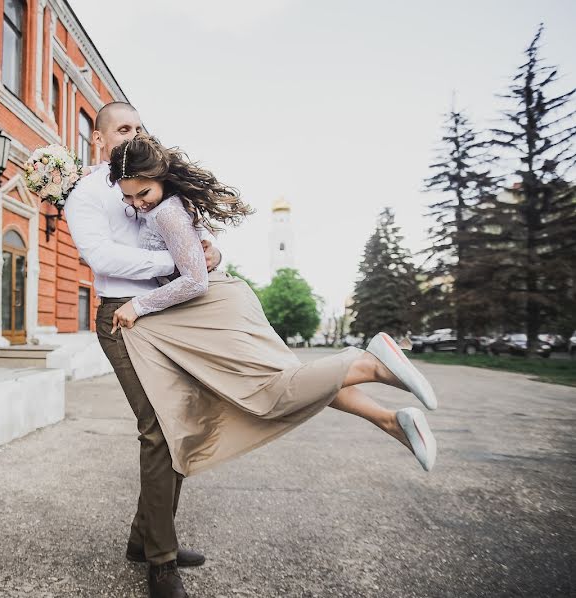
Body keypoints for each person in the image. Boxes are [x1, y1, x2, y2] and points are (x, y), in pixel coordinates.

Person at [106, 134, 437, 501]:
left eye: (143, 193)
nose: (137, 204)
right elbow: (198, 261)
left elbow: (196, 281)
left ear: (161, 179)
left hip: (212, 308)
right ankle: (391, 421)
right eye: (128, 197)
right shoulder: (168, 206)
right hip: (221, 301)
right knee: (290, 379)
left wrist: (138, 305)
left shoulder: (166, 211)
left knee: (270, 394)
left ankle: (370, 363)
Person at [65, 102, 222, 598]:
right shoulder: (86, 193)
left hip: (165, 306)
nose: (133, 133)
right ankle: (161, 560)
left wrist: (208, 251)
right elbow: (102, 255)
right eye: (123, 128)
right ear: (99, 139)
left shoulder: (153, 181)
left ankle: (147, 540)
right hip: (121, 314)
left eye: (139, 126)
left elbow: (190, 233)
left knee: (181, 420)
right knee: (157, 428)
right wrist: (173, 261)